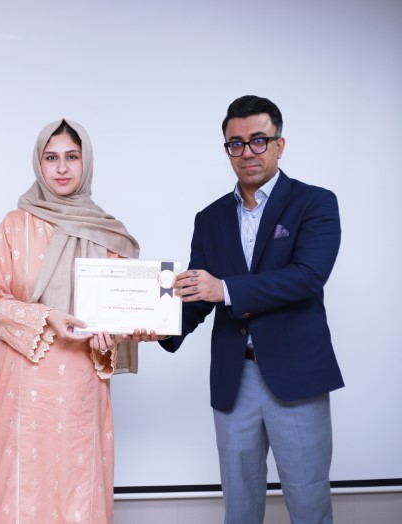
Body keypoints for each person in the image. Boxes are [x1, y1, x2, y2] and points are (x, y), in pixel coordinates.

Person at [153, 95, 344, 523]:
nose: (247, 152)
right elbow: (199, 294)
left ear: (280, 144)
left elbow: (306, 277)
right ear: (227, 150)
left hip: (295, 376)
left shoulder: (314, 203)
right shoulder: (210, 218)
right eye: (236, 144)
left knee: (308, 501)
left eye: (259, 140)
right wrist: (159, 325)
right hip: (233, 376)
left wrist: (225, 288)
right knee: (239, 504)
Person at [0, 118, 139, 524]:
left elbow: (124, 316)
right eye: (51, 158)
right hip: (19, 385)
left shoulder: (109, 233)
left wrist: (116, 335)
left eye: (72, 157)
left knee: (77, 490)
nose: (62, 168)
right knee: (20, 492)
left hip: (80, 387)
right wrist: (46, 317)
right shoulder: (14, 225)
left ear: (86, 162)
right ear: (39, 163)